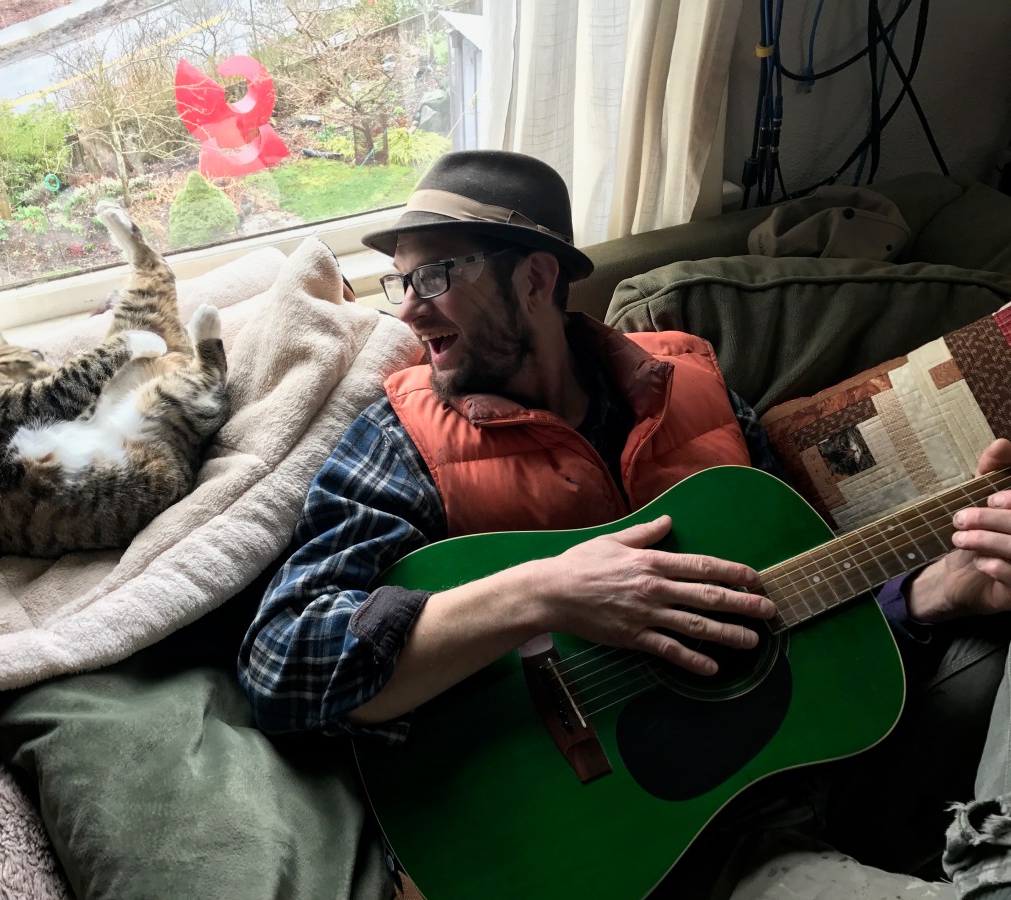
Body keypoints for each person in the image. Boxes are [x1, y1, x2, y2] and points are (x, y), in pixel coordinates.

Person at [237, 150, 1011, 898]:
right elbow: (282, 665)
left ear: (535, 278)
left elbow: (782, 614)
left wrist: (937, 591)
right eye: (401, 280)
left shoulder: (696, 388)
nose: (408, 308)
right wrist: (542, 594)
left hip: (819, 752)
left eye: (435, 275)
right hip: (667, 839)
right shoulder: (399, 443)